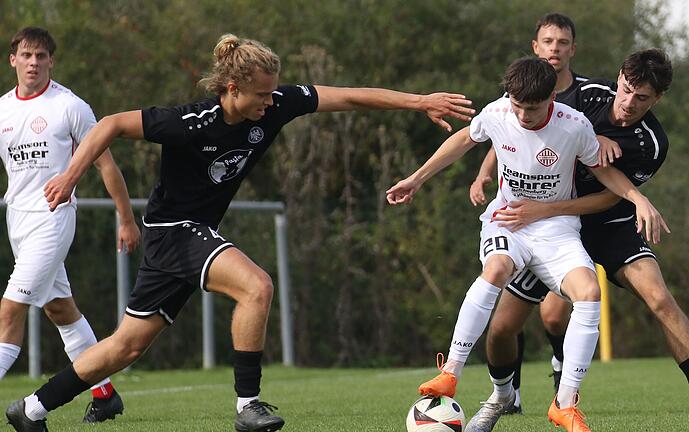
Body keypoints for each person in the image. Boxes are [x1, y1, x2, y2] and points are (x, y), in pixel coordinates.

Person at [4, 33, 475, 432]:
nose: (271, 103)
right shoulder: (190, 121)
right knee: (257, 286)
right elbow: (108, 125)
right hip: (173, 230)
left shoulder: (274, 105)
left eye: (273, 94)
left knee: (125, 346)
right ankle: (247, 404)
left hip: (186, 235)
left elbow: (348, 96)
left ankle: (30, 409)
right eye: (261, 96)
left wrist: (418, 101)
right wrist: (69, 177)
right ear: (231, 89)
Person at [466, 49, 689, 432]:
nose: (629, 102)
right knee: (504, 327)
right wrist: (591, 137)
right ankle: (502, 396)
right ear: (618, 78)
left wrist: (559, 208)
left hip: (608, 223)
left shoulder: (651, 143)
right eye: (627, 89)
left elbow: (611, 194)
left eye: (642, 98)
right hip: (552, 228)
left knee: (660, 297)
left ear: (658, 99)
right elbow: (523, 126)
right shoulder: (586, 95)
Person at [386, 56, 668, 432]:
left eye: (532, 109)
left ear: (552, 97)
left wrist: (637, 198)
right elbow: (465, 139)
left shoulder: (574, 125)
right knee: (498, 268)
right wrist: (416, 179)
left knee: (588, 293)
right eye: (517, 106)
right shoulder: (499, 111)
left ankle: (564, 405)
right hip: (509, 222)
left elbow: (605, 173)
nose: (522, 116)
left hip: (557, 230)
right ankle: (450, 373)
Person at [0, 27, 140, 425]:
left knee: (9, 312)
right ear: (13, 60)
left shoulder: (70, 106)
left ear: (51, 61)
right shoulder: (3, 110)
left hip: (54, 218)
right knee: (61, 310)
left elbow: (105, 164)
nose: (33, 63)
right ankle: (104, 393)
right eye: (26, 55)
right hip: (18, 221)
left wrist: (126, 219)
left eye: (41, 56)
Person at [468, 13, 587, 414]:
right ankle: (509, 394)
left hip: (566, 221)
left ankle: (561, 374)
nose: (555, 48)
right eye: (547, 41)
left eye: (562, 42)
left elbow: (600, 137)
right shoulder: (520, 90)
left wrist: (606, 141)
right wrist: (484, 174)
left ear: (573, 48)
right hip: (522, 221)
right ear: (535, 47)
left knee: (556, 316)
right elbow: (504, 137)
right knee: (503, 325)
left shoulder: (585, 102)